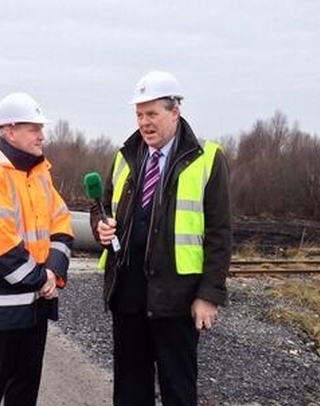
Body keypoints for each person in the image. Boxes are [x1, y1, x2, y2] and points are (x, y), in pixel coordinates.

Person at [90, 71, 232, 406]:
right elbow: (101, 207)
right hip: (126, 293)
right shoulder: (125, 155)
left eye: (152, 114)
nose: (144, 123)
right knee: (129, 390)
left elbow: (219, 233)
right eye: (139, 115)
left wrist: (209, 295)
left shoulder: (207, 159)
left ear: (175, 112)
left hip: (176, 299)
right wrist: (101, 225)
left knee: (178, 390)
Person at [0, 92, 73, 406]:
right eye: (33, 128)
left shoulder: (40, 177)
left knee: (24, 392)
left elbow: (61, 226)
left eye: (41, 128)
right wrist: (43, 280)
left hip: (34, 306)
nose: (42, 135)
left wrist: (53, 273)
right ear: (9, 131)